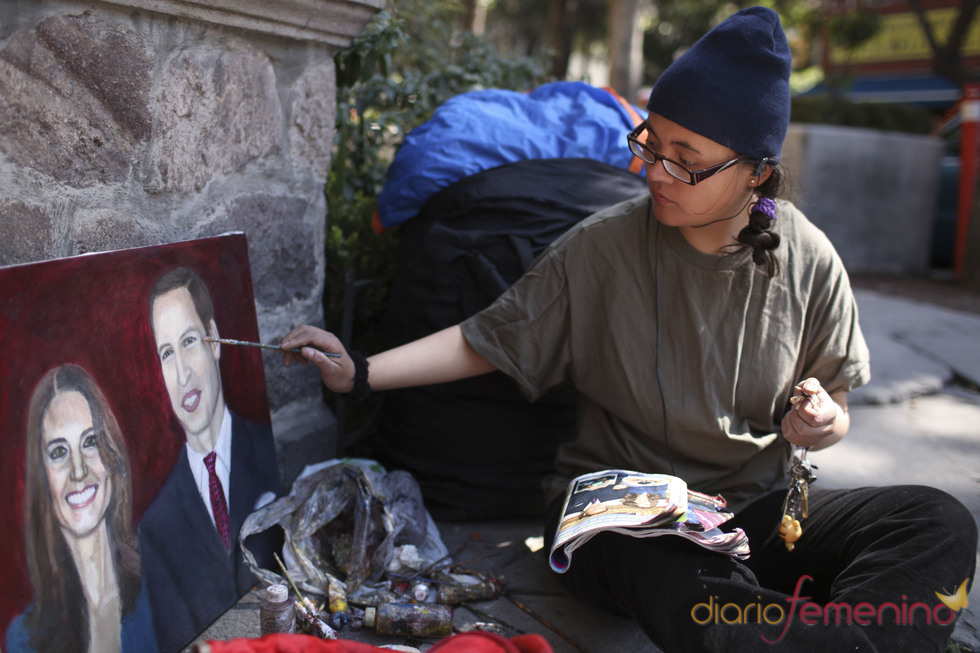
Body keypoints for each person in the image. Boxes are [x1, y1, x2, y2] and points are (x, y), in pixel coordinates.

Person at [279, 7, 977, 651]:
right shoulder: (602, 245)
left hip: (748, 513)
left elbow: (837, 400)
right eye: (652, 141)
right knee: (664, 569)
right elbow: (485, 337)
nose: (654, 170)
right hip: (616, 513)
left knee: (935, 522)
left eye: (686, 158)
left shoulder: (809, 258)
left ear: (757, 175)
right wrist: (361, 369)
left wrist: (824, 421)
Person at [138, 266, 280, 653]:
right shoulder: (156, 527)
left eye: (188, 342)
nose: (182, 375)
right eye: (167, 353)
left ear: (214, 341)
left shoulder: (268, 449)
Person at [6, 364, 156, 653]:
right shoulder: (23, 640)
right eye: (59, 452)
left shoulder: (161, 581)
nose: (78, 471)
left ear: (111, 457)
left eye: (90, 442)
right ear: (42, 477)